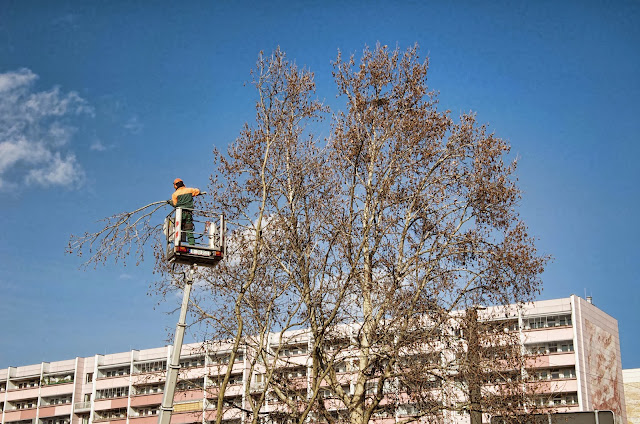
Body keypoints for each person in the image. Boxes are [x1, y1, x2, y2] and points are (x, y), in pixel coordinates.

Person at [167, 178, 201, 245]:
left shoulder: (175, 194)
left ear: (176, 186)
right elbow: (198, 191)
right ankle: (192, 244)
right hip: (188, 213)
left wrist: (169, 202)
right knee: (189, 229)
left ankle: (178, 242)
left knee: (177, 227)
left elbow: (175, 204)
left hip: (180, 213)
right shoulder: (189, 190)